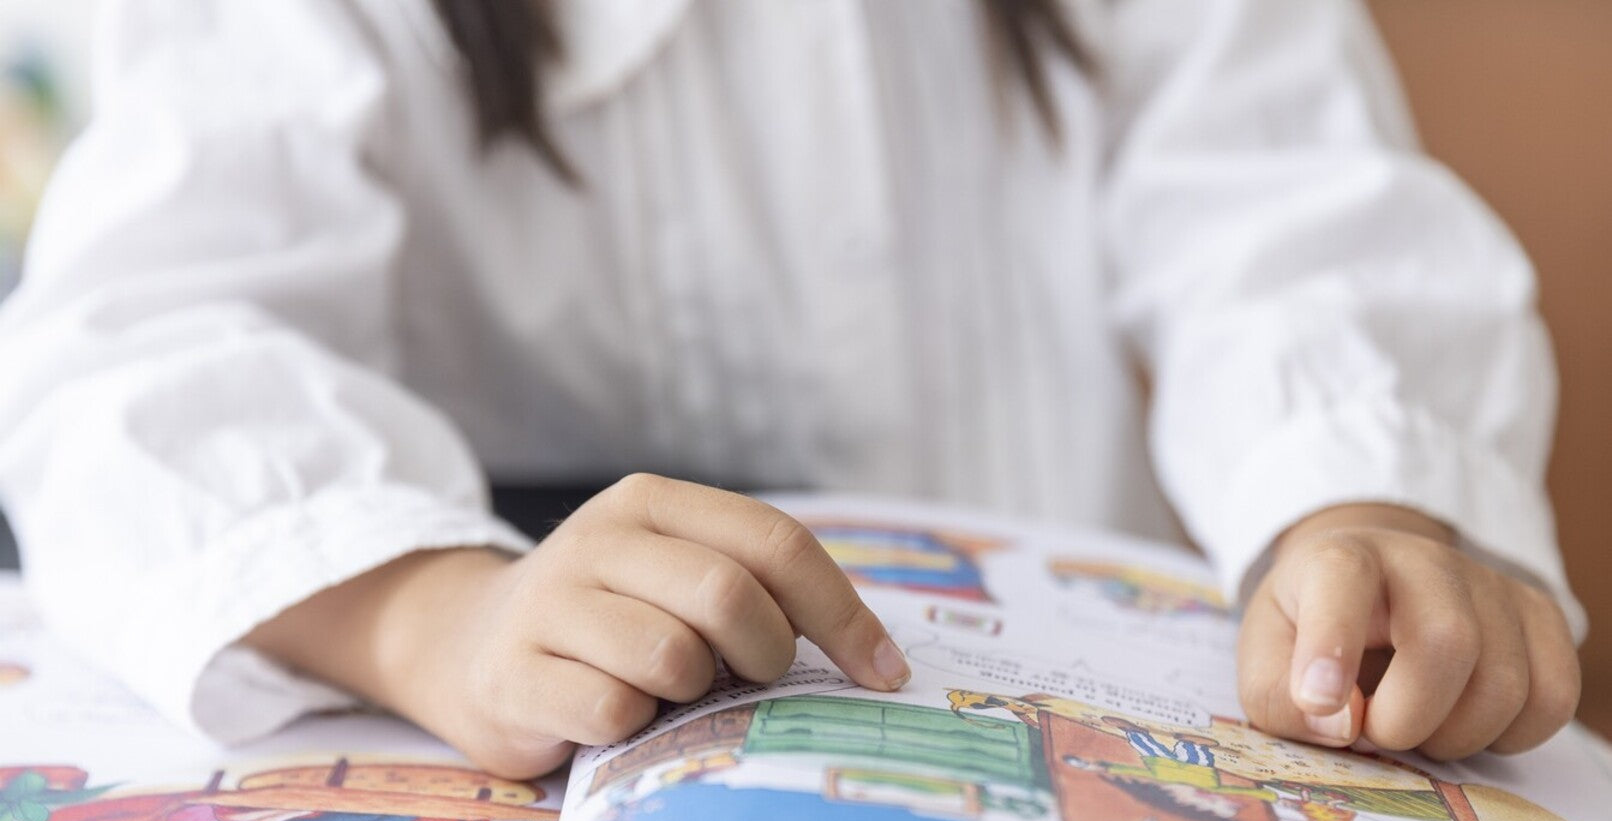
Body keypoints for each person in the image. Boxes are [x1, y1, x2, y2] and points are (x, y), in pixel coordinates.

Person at [0, 0, 1583, 781]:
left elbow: (1287, 204)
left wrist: (1369, 506)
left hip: (1023, 815)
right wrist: (435, 619)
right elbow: (137, 352)